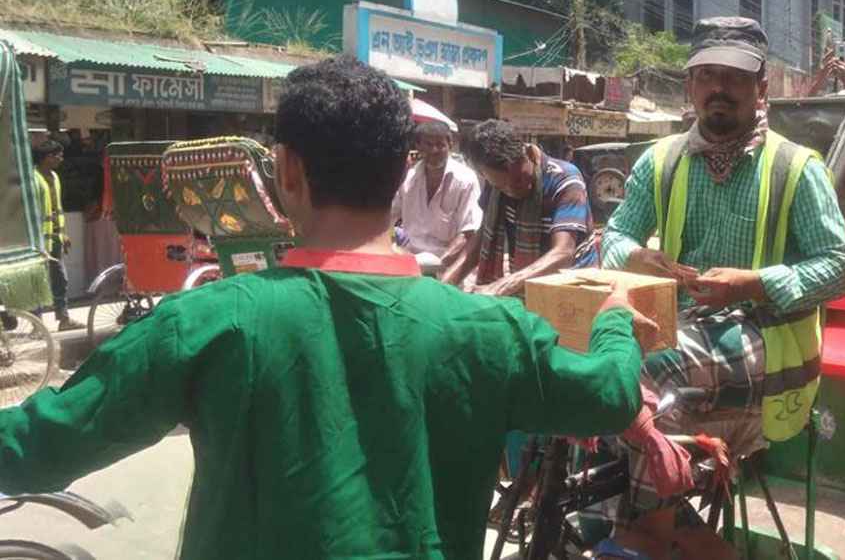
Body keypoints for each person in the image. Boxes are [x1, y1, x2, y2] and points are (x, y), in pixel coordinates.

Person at [0, 55, 652, 560]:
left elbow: (37, 445)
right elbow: (612, 394)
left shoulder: (203, 322)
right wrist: (616, 315)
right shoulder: (491, 330)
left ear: (285, 170)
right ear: (401, 171)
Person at [600, 17, 845, 557]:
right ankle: (689, 536)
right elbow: (616, 235)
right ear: (690, 84)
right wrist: (635, 256)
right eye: (706, 75)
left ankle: (644, 534)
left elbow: (842, 268)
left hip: (769, 347)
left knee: (644, 369)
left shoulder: (796, 168)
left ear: (762, 87)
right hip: (685, 331)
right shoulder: (661, 161)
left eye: (735, 77)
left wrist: (756, 285)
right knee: (580, 359)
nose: (719, 88)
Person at [442, 118, 598, 296]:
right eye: (503, 187)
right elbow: (483, 234)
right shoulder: (494, 187)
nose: (513, 190)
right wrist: (444, 285)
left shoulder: (565, 179)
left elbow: (563, 253)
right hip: (526, 284)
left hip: (575, 286)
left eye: (519, 179)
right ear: (483, 175)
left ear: (529, 155)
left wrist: (501, 286)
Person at [389, 120, 482, 268]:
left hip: (448, 263)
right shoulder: (408, 178)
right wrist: (391, 247)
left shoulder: (466, 180)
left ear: (450, 145)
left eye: (440, 145)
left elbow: (468, 232)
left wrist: (440, 265)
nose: (434, 150)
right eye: (428, 144)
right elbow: (388, 216)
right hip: (410, 260)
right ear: (418, 146)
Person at [32, 139, 84, 331]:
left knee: (60, 280)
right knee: (39, 282)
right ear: (47, 157)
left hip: (55, 239)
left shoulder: (54, 176)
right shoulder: (33, 178)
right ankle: (37, 325)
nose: (61, 159)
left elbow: (57, 208)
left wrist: (64, 234)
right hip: (38, 241)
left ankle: (64, 319)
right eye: (58, 155)